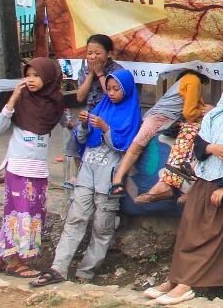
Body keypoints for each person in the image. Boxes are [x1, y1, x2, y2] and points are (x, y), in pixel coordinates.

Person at [143, 68, 223, 306]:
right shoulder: (214, 115)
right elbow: (199, 144)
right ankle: (175, 278)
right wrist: (211, 149)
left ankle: (187, 284)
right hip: (204, 179)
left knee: (208, 234)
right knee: (189, 228)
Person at [33, 68, 142, 287]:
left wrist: (106, 128)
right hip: (87, 173)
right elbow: (82, 139)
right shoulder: (102, 106)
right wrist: (84, 124)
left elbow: (125, 147)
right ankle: (58, 268)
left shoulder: (132, 115)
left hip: (109, 179)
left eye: (116, 89)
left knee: (102, 228)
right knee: (75, 219)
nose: (111, 93)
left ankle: (86, 273)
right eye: (109, 89)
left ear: (127, 90)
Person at [0, 58, 62, 278]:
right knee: (24, 216)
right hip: (18, 169)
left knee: (22, 215)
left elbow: (70, 124)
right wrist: (13, 98)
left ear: (48, 78)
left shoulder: (54, 104)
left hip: (38, 171)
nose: (31, 80)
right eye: (28, 75)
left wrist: (84, 125)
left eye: (36, 75)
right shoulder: (21, 101)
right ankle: (17, 262)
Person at [109, 68, 207, 197]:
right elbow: (189, 113)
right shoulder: (193, 80)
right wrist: (205, 111)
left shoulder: (184, 81)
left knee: (137, 148)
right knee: (136, 147)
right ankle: (117, 179)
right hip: (158, 118)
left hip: (168, 119)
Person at [66, 35, 120, 173]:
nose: (92, 57)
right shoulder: (84, 71)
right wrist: (91, 74)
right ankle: (80, 175)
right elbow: (80, 97)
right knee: (76, 138)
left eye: (97, 53)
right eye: (89, 53)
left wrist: (100, 73)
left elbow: (111, 95)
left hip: (109, 115)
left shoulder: (116, 70)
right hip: (90, 113)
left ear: (108, 54)